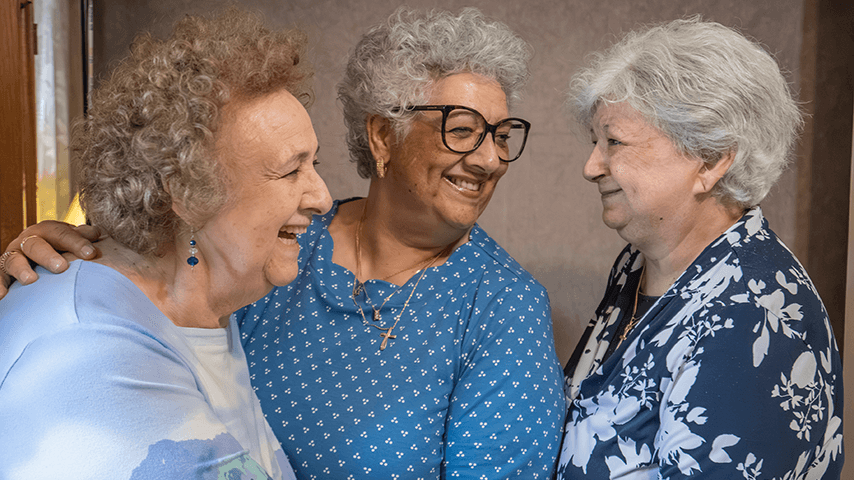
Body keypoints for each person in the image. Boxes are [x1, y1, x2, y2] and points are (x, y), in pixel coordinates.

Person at [0, 8, 566, 479]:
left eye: (500, 135)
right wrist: (84, 252)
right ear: (381, 136)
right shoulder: (275, 253)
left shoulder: (503, 305)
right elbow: (160, 276)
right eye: (462, 128)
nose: (490, 158)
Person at [0, 8, 332, 479]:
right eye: (291, 170)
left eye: (314, 164)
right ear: (185, 191)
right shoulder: (93, 351)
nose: (322, 197)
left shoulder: (207, 309)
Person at [554, 18, 844, 479]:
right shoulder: (637, 267)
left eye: (614, 142)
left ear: (710, 159)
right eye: (595, 142)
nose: (592, 166)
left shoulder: (754, 316)